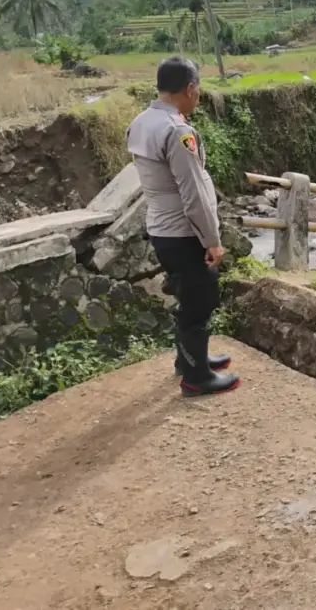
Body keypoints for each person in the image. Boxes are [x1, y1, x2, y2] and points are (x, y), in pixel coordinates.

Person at [127, 56, 240, 396]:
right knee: (201, 299)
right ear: (190, 88)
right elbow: (192, 193)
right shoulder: (177, 131)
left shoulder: (142, 122)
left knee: (188, 295)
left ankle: (191, 359)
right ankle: (196, 377)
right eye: (198, 88)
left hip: (162, 229)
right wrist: (212, 240)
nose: (199, 95)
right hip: (183, 231)